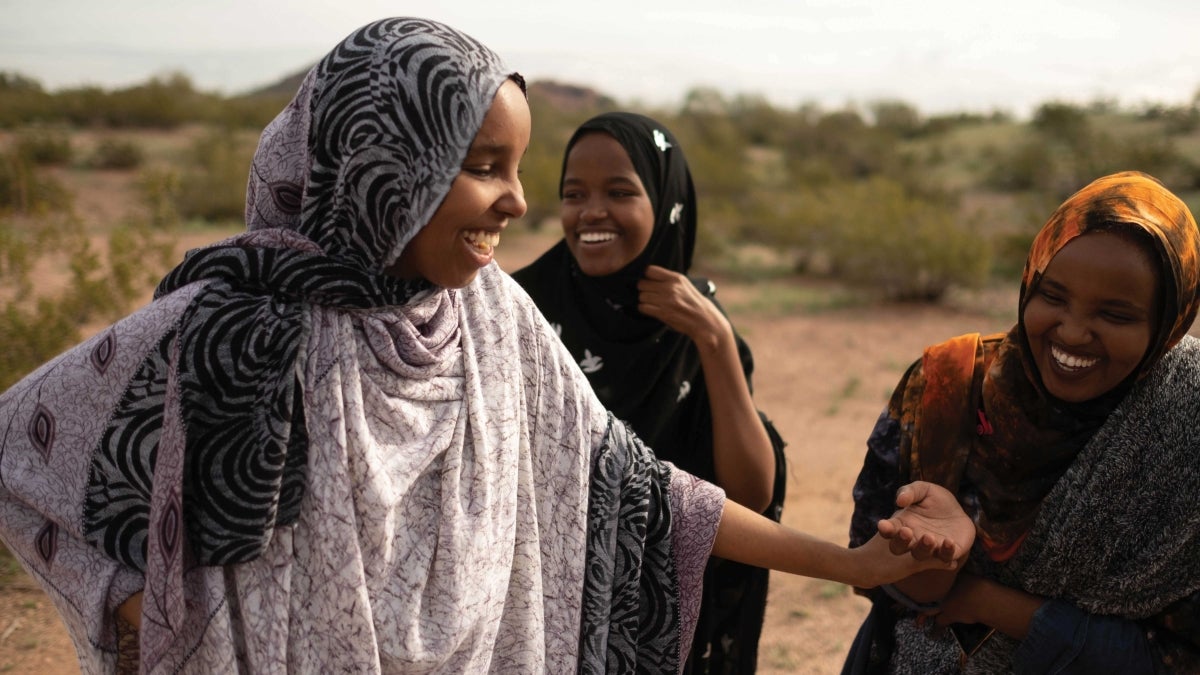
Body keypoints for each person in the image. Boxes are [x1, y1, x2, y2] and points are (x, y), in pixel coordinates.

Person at [0, 18, 972, 674]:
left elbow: (638, 489)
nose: (516, 200)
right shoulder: (235, 327)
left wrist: (850, 568)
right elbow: (21, 449)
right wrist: (124, 601)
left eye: (515, 168)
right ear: (388, 168)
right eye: (481, 168)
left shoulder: (491, 319)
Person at [845, 171, 1200, 674]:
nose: (1073, 332)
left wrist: (985, 602)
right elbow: (877, 574)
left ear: (1168, 323)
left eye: (1116, 315)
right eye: (1053, 297)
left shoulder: (1185, 420)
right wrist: (931, 564)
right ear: (1029, 281)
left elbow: (1181, 655)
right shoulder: (949, 387)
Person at [513, 111, 786, 673]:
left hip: (664, 620)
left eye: (619, 191)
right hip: (538, 609)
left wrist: (714, 339)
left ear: (665, 204)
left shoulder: (696, 323)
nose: (591, 212)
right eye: (573, 193)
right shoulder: (522, 310)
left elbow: (751, 493)